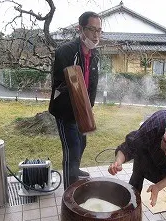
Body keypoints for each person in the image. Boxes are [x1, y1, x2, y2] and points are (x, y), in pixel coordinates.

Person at [48, 11, 102, 190]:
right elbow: (62, 82)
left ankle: (75, 170)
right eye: (92, 29)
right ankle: (69, 194)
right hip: (66, 111)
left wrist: (88, 107)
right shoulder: (66, 51)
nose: (96, 35)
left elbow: (92, 84)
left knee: (82, 142)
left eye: (99, 30)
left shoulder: (94, 55)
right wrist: (78, 106)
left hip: (83, 110)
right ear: (80, 29)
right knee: (72, 148)